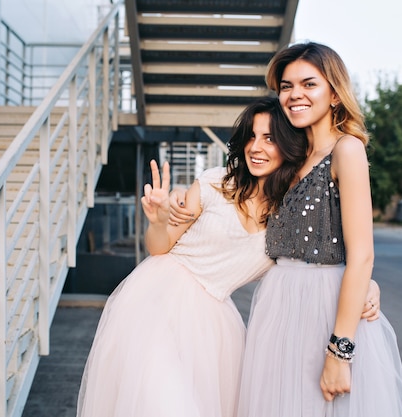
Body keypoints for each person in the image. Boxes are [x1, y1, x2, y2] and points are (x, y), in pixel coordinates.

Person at [76, 96, 310, 417]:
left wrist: (365, 285)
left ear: (289, 144)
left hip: (215, 328)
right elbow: (159, 247)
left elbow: (313, 269)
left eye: (269, 138)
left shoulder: (291, 218)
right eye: (251, 137)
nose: (256, 147)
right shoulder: (215, 182)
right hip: (156, 300)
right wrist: (158, 221)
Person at [236, 42, 402, 416]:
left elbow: (361, 254)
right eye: (286, 86)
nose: (295, 94)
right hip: (278, 309)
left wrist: (339, 351)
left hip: (325, 311)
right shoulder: (289, 155)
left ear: (333, 92)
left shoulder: (347, 150)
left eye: (308, 84)